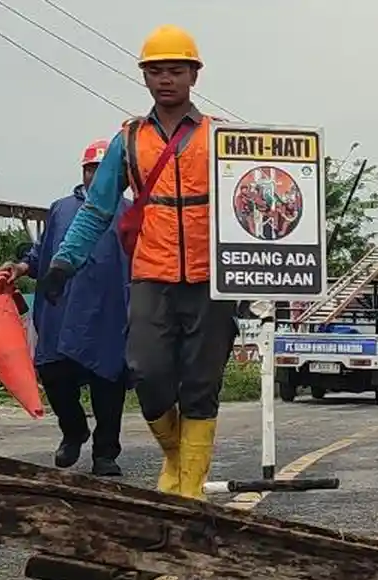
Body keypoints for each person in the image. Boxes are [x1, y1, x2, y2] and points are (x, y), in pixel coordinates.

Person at [37, 25, 239, 500]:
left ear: (194, 75)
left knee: (202, 382)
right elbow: (98, 208)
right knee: (147, 373)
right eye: (156, 71)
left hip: (212, 279)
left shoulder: (222, 137)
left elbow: (251, 205)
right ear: (145, 77)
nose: (166, 79)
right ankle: (175, 457)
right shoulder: (128, 140)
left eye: (175, 70)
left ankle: (188, 487)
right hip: (151, 273)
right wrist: (65, 262)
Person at [0, 139, 131, 477]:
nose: (95, 175)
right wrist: (20, 268)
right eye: (89, 168)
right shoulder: (60, 209)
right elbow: (40, 252)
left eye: (102, 169)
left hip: (109, 312)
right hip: (62, 311)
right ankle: (73, 432)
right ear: (82, 171)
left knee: (108, 385)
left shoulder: (131, 210)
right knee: (55, 374)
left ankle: (105, 453)